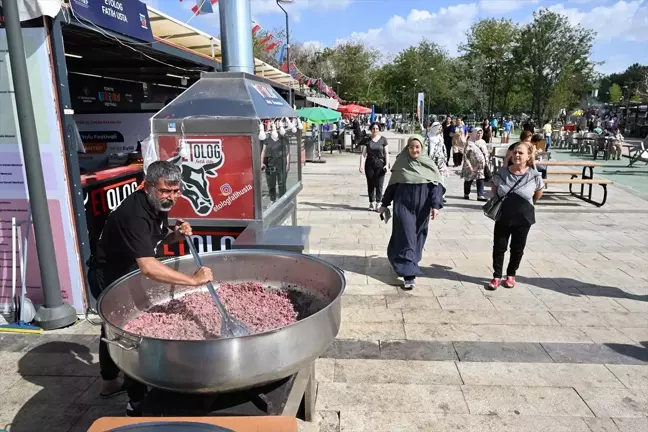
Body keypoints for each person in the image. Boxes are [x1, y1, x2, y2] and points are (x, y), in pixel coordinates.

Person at [88, 161, 213, 416]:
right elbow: (148, 266)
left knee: (112, 328)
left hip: (127, 270)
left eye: (176, 191)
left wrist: (175, 235)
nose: (171, 197)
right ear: (147, 186)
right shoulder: (133, 214)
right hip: (109, 274)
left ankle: (109, 382)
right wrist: (193, 280)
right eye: (165, 191)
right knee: (129, 334)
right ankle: (136, 404)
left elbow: (152, 240)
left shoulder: (157, 206)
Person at [378, 135, 445, 290]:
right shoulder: (401, 163)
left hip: (422, 208)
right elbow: (392, 186)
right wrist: (384, 204)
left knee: (418, 237)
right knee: (407, 237)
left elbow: (436, 187)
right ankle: (409, 275)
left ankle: (409, 261)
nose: (414, 150)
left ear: (422, 148)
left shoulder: (428, 165)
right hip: (403, 206)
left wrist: (435, 206)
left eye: (417, 147)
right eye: (411, 147)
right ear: (407, 148)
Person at [488, 140, 544, 290]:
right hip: (503, 215)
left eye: (521, 153)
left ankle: (511, 274)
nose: (517, 155)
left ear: (528, 157)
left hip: (523, 217)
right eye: (515, 152)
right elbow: (494, 189)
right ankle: (497, 276)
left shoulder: (534, 175)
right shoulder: (502, 173)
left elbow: (538, 193)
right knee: (499, 247)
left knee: (517, 248)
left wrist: (527, 203)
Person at [359, 122, 390, 211]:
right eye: (373, 129)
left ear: (379, 130)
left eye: (376, 129)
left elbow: (386, 153)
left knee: (379, 184)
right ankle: (371, 202)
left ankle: (378, 202)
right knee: (371, 183)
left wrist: (387, 165)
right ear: (371, 129)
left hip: (380, 164)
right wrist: (361, 165)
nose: (375, 130)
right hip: (369, 164)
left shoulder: (383, 140)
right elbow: (364, 154)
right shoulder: (367, 140)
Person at [462, 127, 489, 201]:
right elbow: (465, 155)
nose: (479, 134)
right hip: (471, 165)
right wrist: (468, 165)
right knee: (469, 179)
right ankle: (466, 193)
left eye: (481, 133)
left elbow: (486, 153)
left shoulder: (483, 142)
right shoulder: (469, 142)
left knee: (480, 179)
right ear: (474, 133)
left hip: (480, 165)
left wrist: (486, 162)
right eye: (478, 133)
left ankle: (480, 195)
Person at [261, 133, 290, 203]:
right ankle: (272, 199)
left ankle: (282, 199)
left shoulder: (283, 138)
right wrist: (262, 162)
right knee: (271, 183)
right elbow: (263, 151)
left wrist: (287, 164)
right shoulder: (267, 139)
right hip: (270, 164)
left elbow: (287, 152)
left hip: (281, 164)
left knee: (282, 183)